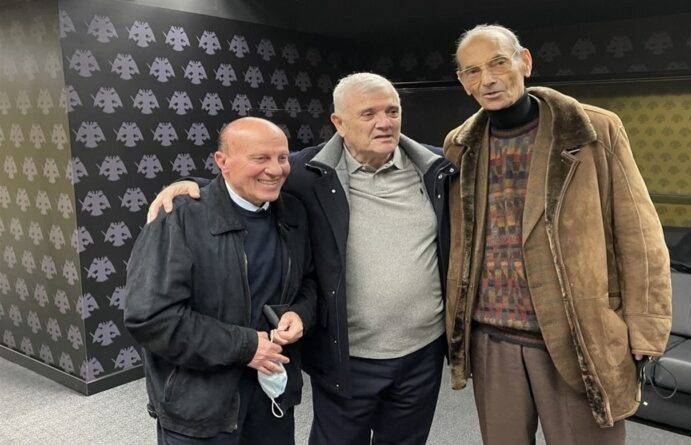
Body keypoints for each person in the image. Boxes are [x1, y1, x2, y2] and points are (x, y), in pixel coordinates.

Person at [147, 73, 457, 445]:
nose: (384, 122)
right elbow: (249, 178)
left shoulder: (437, 167)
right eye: (368, 113)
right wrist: (192, 186)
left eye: (392, 111)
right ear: (339, 122)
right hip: (349, 355)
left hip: (423, 351)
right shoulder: (307, 172)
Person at [443, 25, 672, 444]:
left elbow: (639, 234)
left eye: (498, 63)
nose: (488, 79)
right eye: (473, 71)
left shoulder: (592, 130)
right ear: (463, 82)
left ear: (524, 62)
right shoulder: (460, 145)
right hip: (491, 336)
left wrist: (646, 325)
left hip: (577, 332)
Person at [125, 117, 316, 444]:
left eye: (283, 157)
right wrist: (246, 347)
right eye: (260, 158)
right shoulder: (179, 218)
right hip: (199, 407)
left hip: (271, 399)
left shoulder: (293, 213)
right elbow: (150, 318)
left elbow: (309, 282)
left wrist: (301, 313)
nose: (275, 169)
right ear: (222, 162)